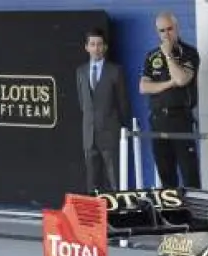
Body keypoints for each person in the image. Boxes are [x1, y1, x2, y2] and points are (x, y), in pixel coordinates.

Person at [139, 11, 201, 189]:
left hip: (181, 118)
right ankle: (171, 207)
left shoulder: (188, 52)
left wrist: (168, 55)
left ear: (177, 28)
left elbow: (181, 79)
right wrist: (168, 84)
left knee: (189, 174)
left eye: (169, 29)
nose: (166, 34)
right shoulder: (151, 56)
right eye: (162, 31)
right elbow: (143, 87)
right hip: (158, 120)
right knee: (166, 174)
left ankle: (194, 208)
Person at [77, 28, 130, 192]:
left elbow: (123, 103)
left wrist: (122, 129)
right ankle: (94, 208)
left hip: (110, 133)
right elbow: (82, 103)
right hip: (89, 135)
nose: (96, 48)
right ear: (86, 47)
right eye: (92, 44)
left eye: (99, 44)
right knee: (92, 181)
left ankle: (116, 208)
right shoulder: (80, 71)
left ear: (105, 47)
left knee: (114, 179)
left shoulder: (115, 71)